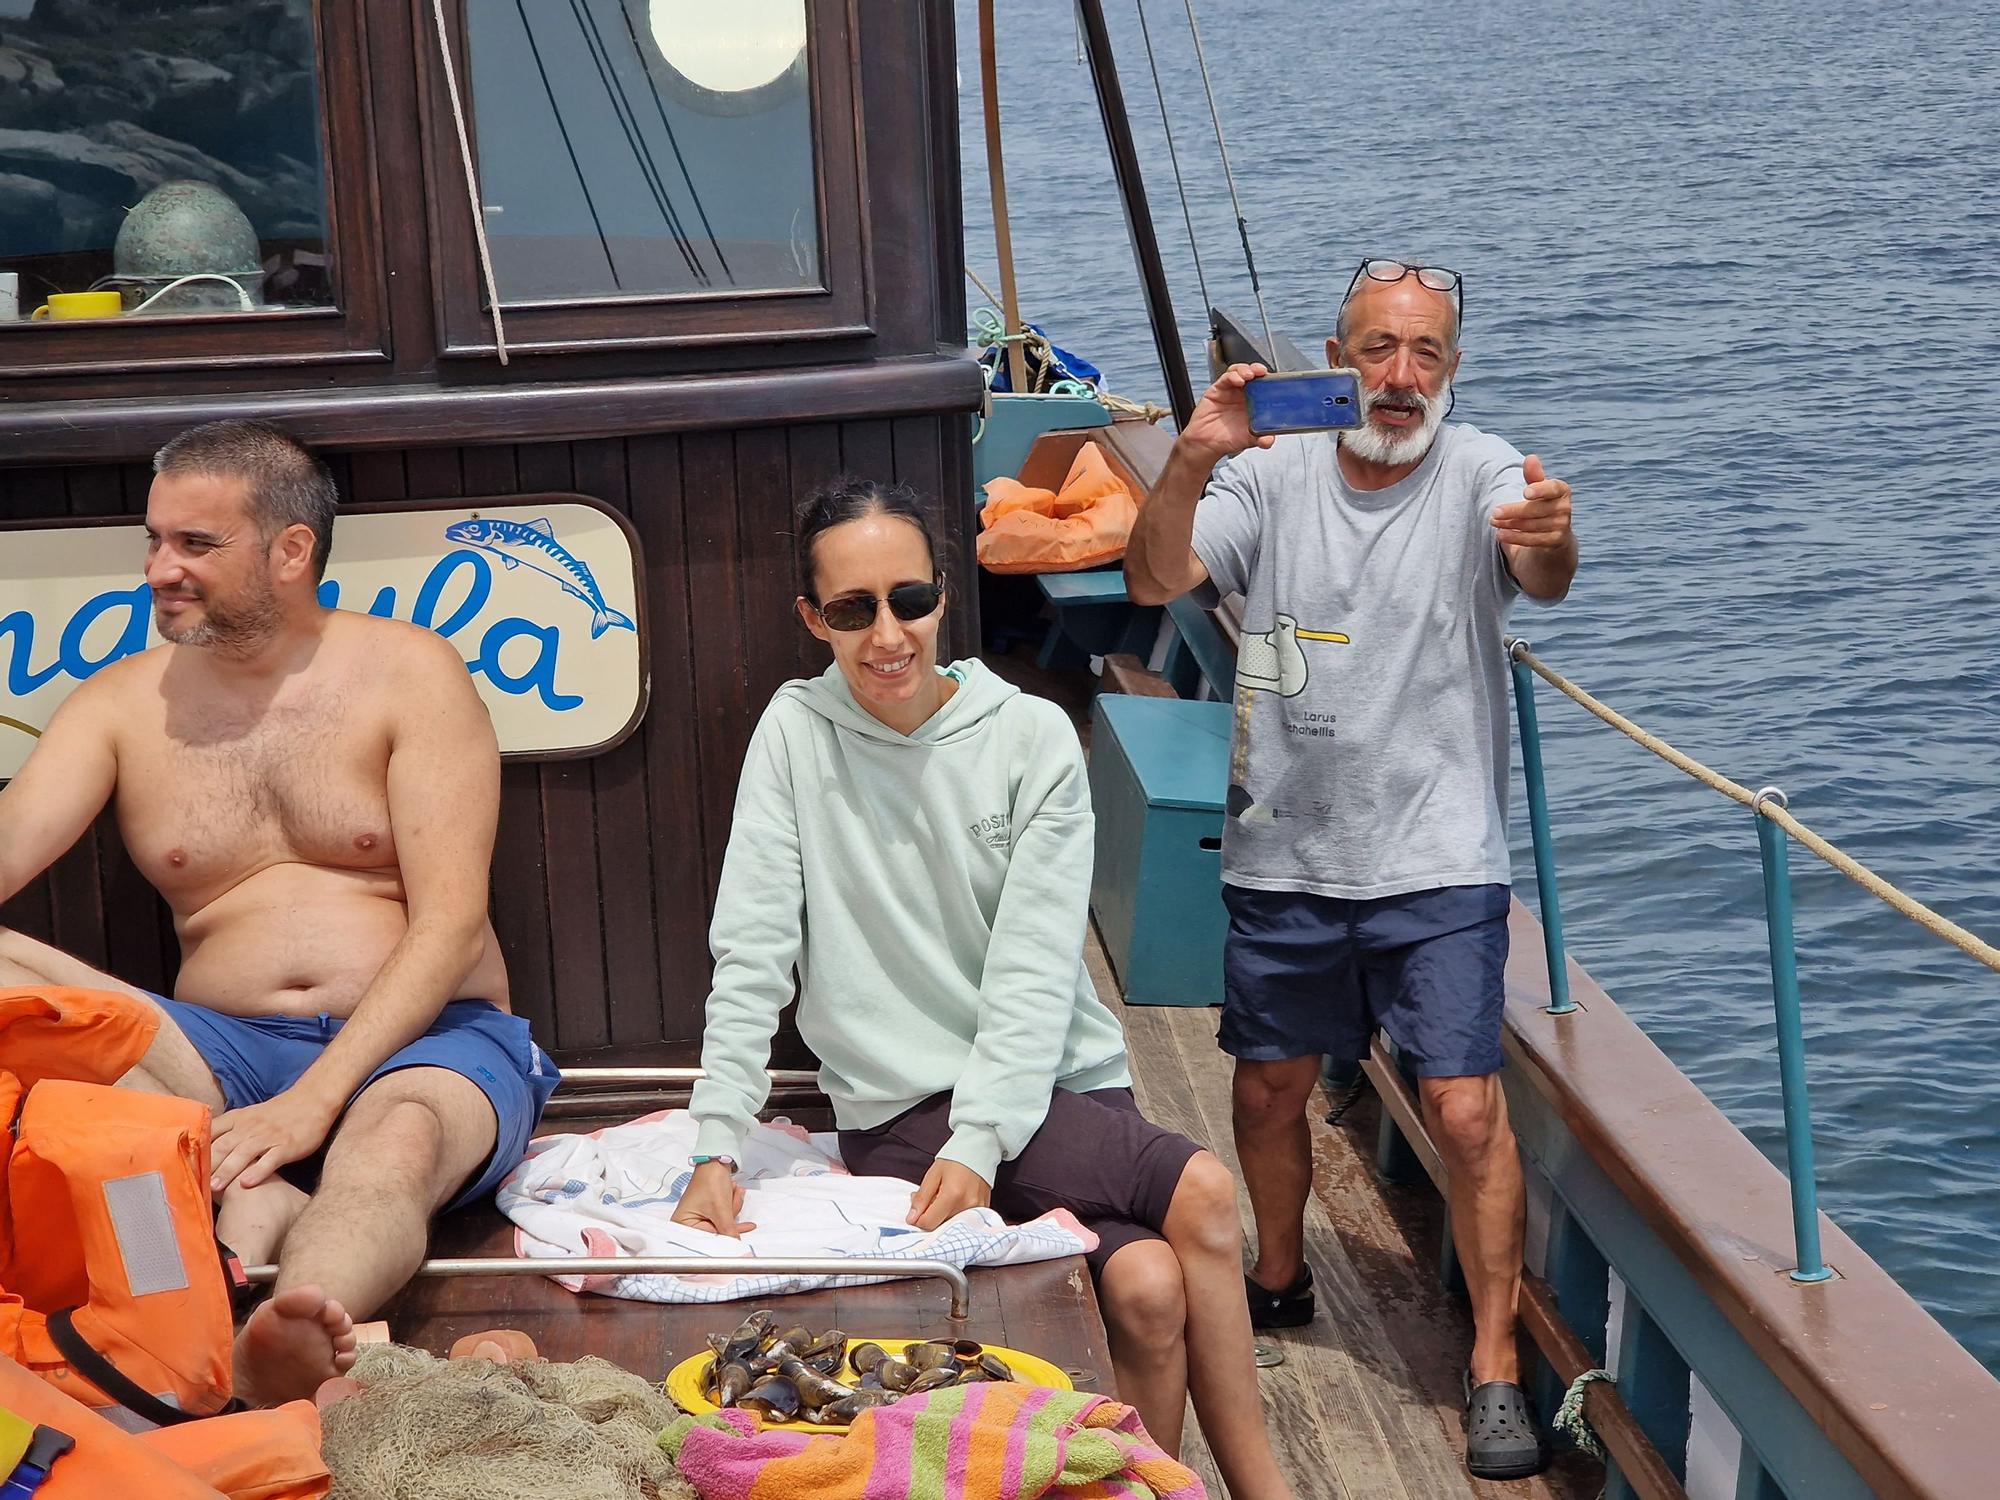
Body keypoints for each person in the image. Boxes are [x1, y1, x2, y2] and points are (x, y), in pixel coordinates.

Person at [672, 477, 1294, 1497]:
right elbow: (750, 951)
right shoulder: (794, 735)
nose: (886, 634)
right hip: (908, 1106)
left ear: (942, 595)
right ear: (811, 619)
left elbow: (1032, 970)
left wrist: (985, 1139)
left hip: (1050, 1081)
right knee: (1206, 1194)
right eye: (851, 609)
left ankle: (1148, 1483)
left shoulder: (1031, 737)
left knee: (1144, 1287)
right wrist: (713, 1143)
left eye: (907, 600)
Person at [1123, 258, 1580, 1481]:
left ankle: (1490, 1363)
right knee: (1267, 1089)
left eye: (1424, 351)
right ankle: (1278, 1277)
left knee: (1464, 1108)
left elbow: (1538, 567)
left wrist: (1551, 537)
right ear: (1337, 358)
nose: (1398, 376)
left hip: (1436, 853)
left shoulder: (1482, 466)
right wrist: (1188, 456)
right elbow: (1153, 578)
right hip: (1284, 843)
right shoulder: (1267, 474)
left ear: (1453, 369)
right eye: (1376, 348)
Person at [0, 420, 558, 1406]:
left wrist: (314, 1102)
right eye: (154, 540)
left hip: (428, 1043)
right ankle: (222, 1231)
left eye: (195, 545)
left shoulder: (410, 672)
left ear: (290, 552)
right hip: (216, 1055)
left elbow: (451, 925)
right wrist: (269, 1106)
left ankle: (290, 1325)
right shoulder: (117, 705)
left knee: (390, 1150)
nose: (159, 568)